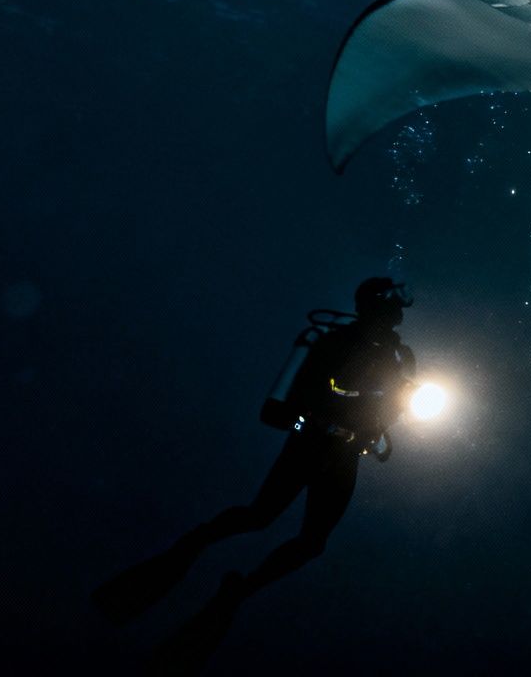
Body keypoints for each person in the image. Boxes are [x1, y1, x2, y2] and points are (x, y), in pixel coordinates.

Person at [91, 277, 419, 667]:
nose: (400, 312)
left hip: (346, 454)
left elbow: (398, 406)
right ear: (375, 306)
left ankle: (238, 590)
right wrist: (337, 413)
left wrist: (379, 416)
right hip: (310, 444)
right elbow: (303, 397)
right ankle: (191, 549)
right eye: (394, 304)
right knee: (260, 516)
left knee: (311, 542)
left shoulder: (401, 357)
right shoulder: (335, 343)